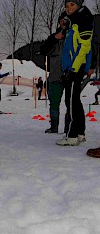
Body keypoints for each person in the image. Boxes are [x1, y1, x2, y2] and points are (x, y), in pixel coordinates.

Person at [57, 0, 93, 146]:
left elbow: (85, 47)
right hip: (71, 67)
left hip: (75, 68)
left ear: (78, 5)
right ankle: (80, 133)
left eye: (72, 5)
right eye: (66, 6)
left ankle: (71, 135)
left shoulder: (83, 20)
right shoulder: (74, 22)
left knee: (71, 101)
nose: (68, 8)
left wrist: (73, 69)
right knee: (75, 100)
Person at [39, 14, 67, 133]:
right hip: (55, 75)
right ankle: (54, 126)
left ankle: (69, 128)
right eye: (62, 20)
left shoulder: (75, 35)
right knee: (54, 103)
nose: (64, 22)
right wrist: (55, 38)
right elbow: (43, 50)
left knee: (71, 103)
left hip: (70, 74)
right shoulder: (54, 37)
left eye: (67, 20)